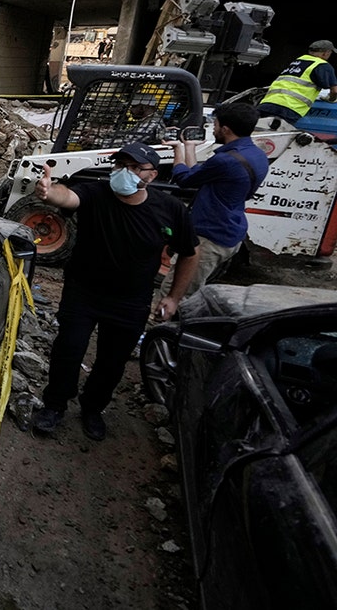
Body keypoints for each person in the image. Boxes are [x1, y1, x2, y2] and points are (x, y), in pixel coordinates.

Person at [31, 142, 199, 441]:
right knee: (68, 350)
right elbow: (68, 197)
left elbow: (190, 253)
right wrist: (48, 190)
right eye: (120, 165)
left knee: (112, 361)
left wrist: (173, 296)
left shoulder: (169, 208)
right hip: (83, 292)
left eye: (134, 168)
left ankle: (93, 408)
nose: (124, 173)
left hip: (130, 302)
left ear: (151, 175)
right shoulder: (96, 193)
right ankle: (54, 405)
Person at [159, 102, 268, 300]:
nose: (214, 129)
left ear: (225, 129)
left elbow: (185, 180)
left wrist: (177, 151)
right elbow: (197, 176)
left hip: (210, 236)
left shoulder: (225, 160)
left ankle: (163, 329)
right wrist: (189, 147)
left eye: (216, 125)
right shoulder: (258, 155)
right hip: (230, 231)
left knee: (175, 292)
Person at [257, 40, 337, 124]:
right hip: (289, 108)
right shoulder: (322, 65)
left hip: (267, 104)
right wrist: (331, 99)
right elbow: (335, 91)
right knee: (280, 135)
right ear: (326, 53)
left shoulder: (297, 61)